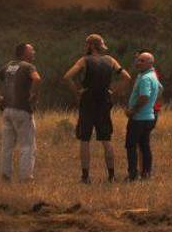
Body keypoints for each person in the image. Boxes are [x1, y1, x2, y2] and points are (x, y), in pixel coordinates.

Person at [63, 34, 131, 183]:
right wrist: (113, 91)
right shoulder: (111, 60)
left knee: (85, 139)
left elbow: (67, 76)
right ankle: (111, 176)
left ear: (91, 46)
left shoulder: (84, 60)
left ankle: (86, 177)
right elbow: (127, 77)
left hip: (88, 101)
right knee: (106, 139)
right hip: (104, 101)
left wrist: (77, 93)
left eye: (86, 44)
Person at [0, 43, 41, 182]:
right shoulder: (28, 67)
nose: (34, 52)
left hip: (7, 111)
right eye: (31, 50)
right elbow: (37, 78)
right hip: (23, 110)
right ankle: (26, 177)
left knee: (7, 146)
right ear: (24, 53)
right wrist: (33, 95)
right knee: (27, 145)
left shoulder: (9, 66)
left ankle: (6, 176)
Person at [125, 52, 163, 181]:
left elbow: (144, 96)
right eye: (138, 60)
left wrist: (133, 111)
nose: (138, 62)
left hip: (139, 118)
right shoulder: (152, 76)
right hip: (149, 117)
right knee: (144, 146)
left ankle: (133, 174)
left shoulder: (146, 78)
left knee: (131, 146)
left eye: (142, 61)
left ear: (150, 63)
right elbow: (160, 89)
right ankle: (146, 173)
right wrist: (153, 104)